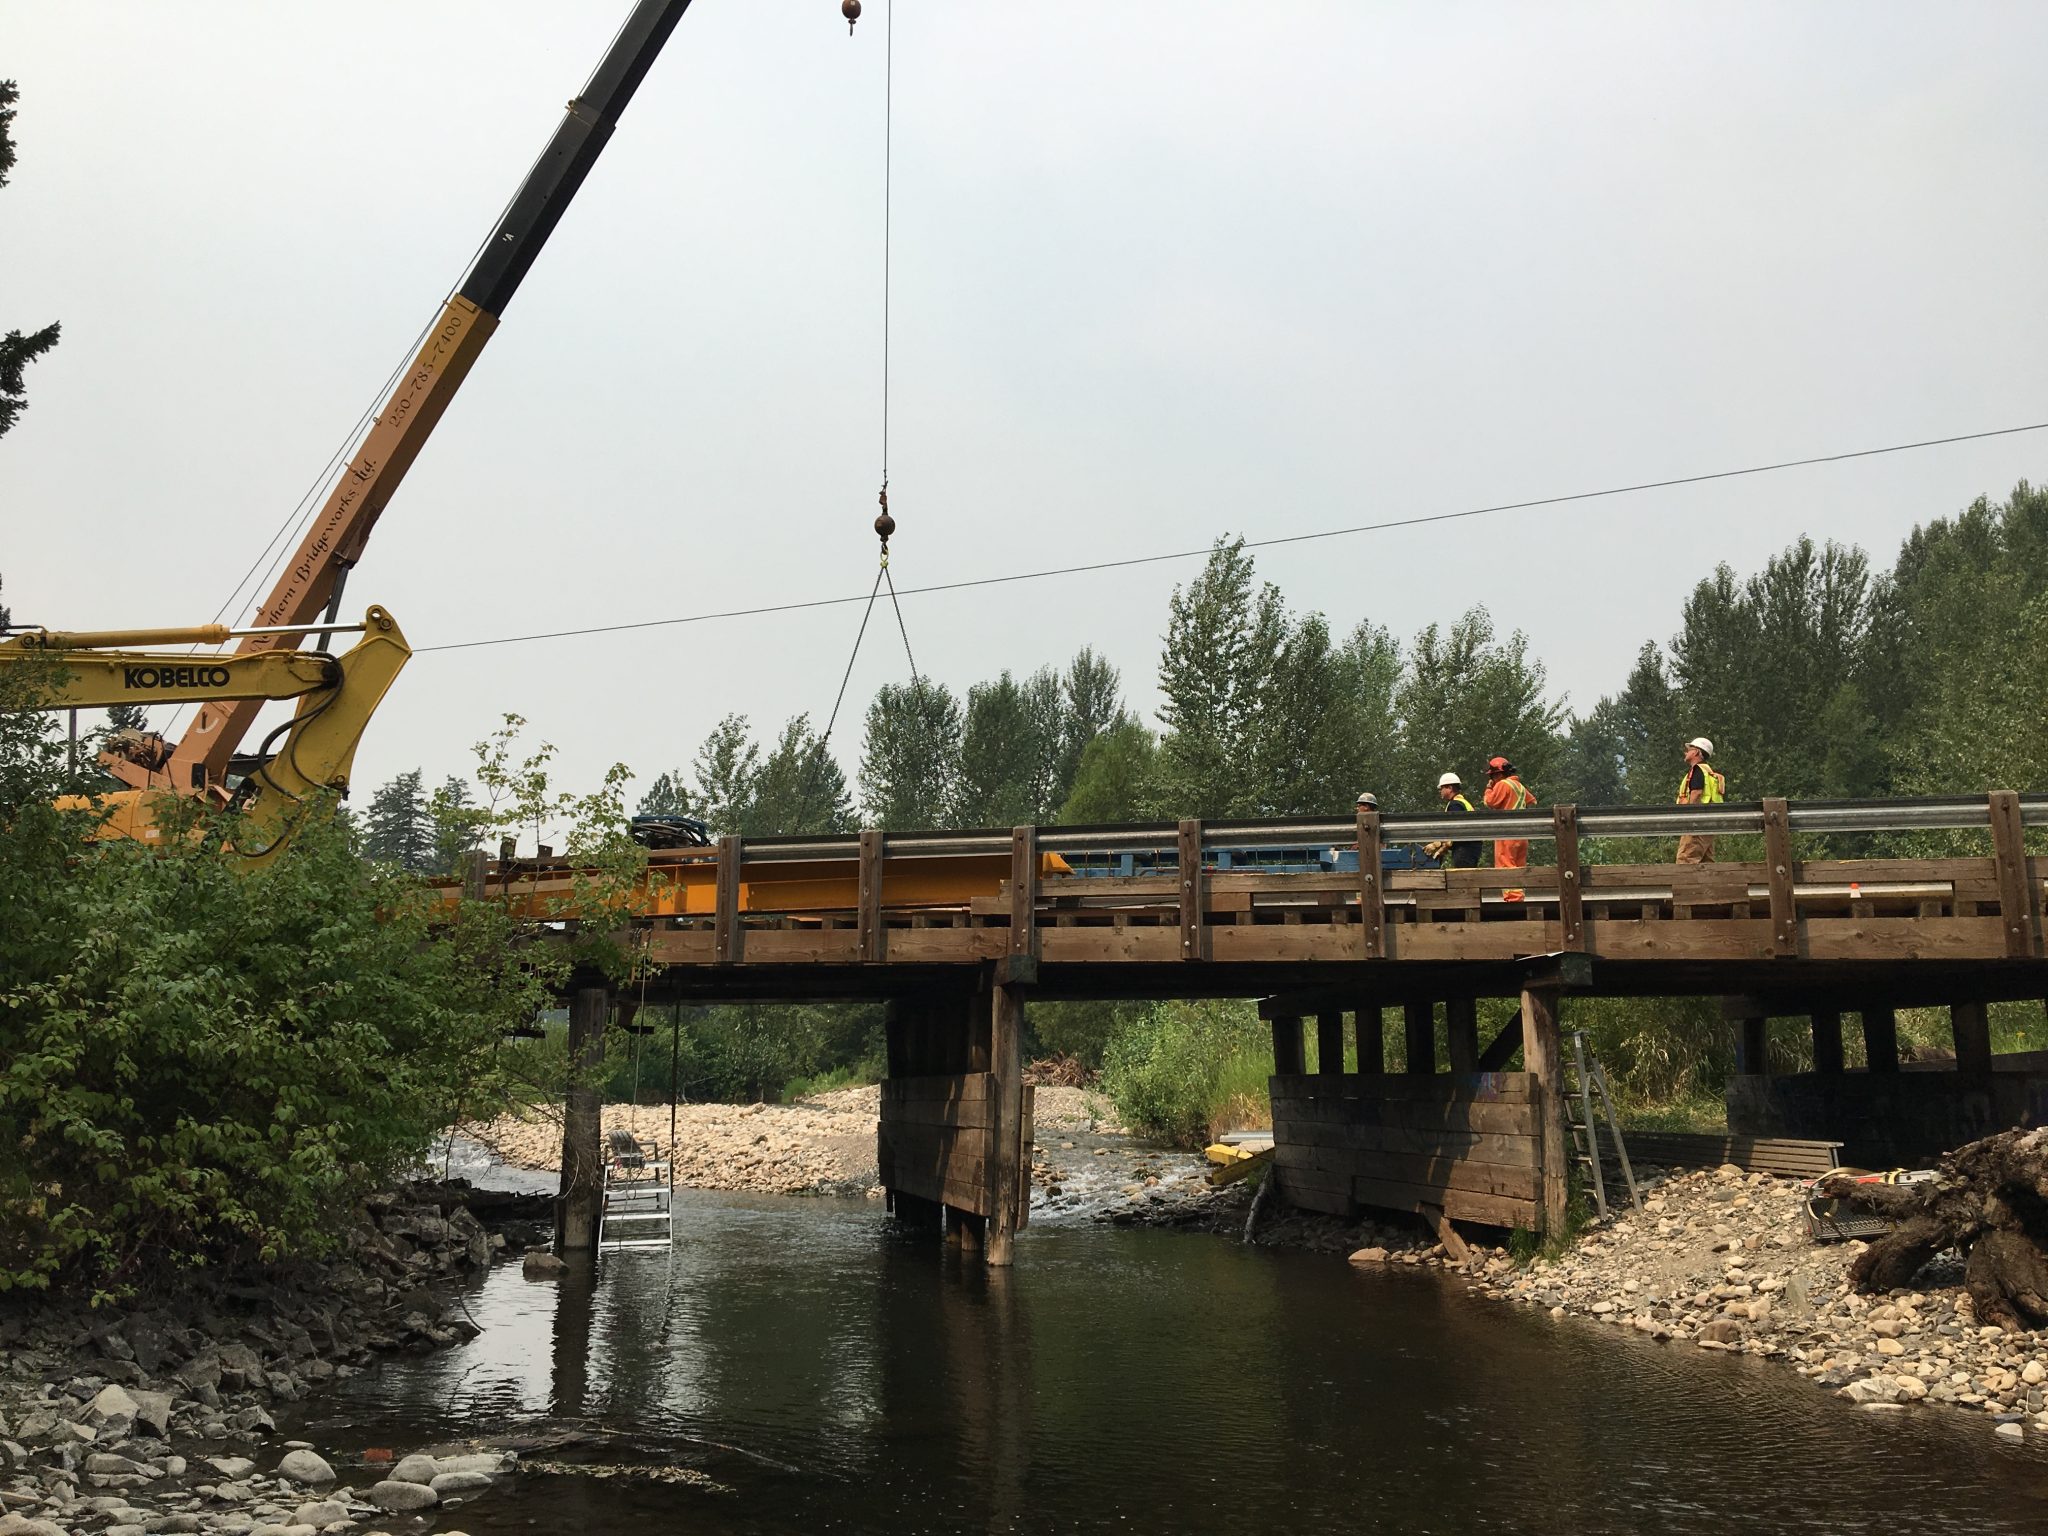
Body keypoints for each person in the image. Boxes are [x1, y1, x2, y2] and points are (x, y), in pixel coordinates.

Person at [1482, 756, 1536, 901]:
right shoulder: (1520, 787)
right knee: (1518, 866)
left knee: (1505, 864)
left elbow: (1490, 802)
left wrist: (1488, 789)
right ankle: (1519, 896)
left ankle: (1513, 899)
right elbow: (1531, 801)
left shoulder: (1502, 784)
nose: (1492, 780)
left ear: (1498, 774)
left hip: (1507, 833)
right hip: (1522, 834)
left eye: (1492, 776)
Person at [1675, 736, 1724, 864]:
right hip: (1709, 822)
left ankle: (1686, 884)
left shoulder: (1697, 770)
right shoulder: (1709, 773)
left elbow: (1696, 793)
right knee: (1706, 862)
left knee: (1686, 860)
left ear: (1696, 752)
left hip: (1697, 823)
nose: (1686, 752)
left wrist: (1691, 816)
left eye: (1689, 749)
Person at [1423, 771, 1482, 868]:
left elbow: (1455, 829)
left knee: (1462, 879)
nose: (1440, 791)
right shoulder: (1463, 802)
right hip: (1470, 847)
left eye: (1442, 788)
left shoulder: (1455, 804)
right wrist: (1443, 847)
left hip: (1464, 848)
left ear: (1450, 788)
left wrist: (1437, 844)